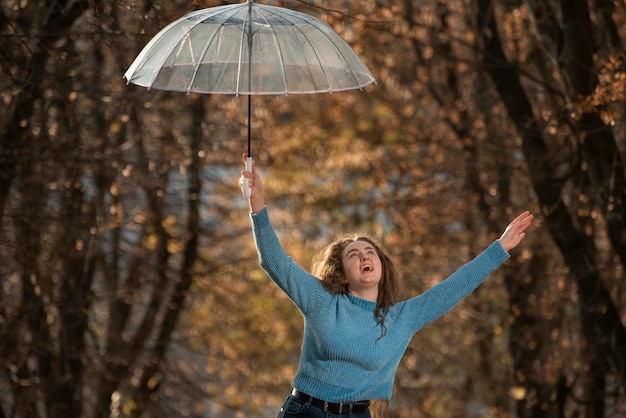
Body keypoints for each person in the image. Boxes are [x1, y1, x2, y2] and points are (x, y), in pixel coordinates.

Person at [239, 154, 534, 418]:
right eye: (353, 255)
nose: (364, 256)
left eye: (370, 252)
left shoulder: (402, 319)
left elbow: (452, 288)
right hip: (304, 412)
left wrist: (500, 247)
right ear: (342, 275)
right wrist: (257, 203)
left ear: (380, 265)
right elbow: (274, 261)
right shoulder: (322, 301)